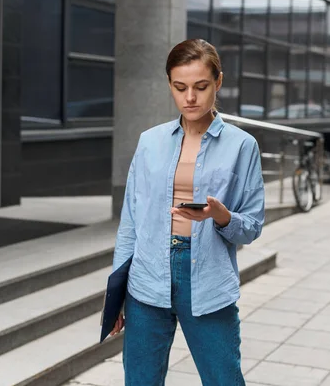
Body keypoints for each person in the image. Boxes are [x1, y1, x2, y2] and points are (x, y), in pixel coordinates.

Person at [109, 38, 265, 385]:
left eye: (200, 86)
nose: (189, 98)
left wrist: (222, 216)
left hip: (207, 278)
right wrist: (116, 293)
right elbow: (130, 222)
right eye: (180, 88)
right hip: (147, 277)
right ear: (170, 85)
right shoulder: (150, 141)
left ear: (218, 82)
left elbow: (252, 226)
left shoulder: (242, 146)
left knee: (223, 379)